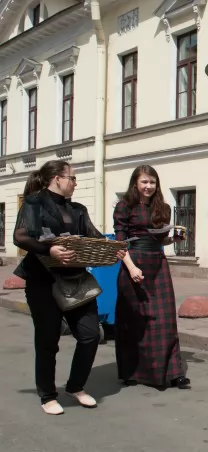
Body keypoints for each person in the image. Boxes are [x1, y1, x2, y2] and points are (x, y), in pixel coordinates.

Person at [13, 160, 125, 415]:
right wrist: (49, 249)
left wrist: (114, 248)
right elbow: (20, 237)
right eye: (72, 178)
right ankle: (47, 394)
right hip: (43, 281)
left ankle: (75, 386)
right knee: (47, 341)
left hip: (76, 279)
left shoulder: (78, 209)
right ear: (56, 179)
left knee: (89, 335)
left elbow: (94, 237)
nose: (75, 183)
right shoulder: (34, 203)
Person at [113, 165, 190, 390]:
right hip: (133, 264)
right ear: (135, 183)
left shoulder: (162, 208)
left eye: (152, 182)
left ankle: (173, 372)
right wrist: (131, 267)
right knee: (134, 319)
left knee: (165, 319)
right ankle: (132, 372)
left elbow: (159, 239)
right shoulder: (124, 206)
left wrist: (171, 240)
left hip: (157, 264)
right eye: (144, 182)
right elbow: (119, 243)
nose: (148, 186)